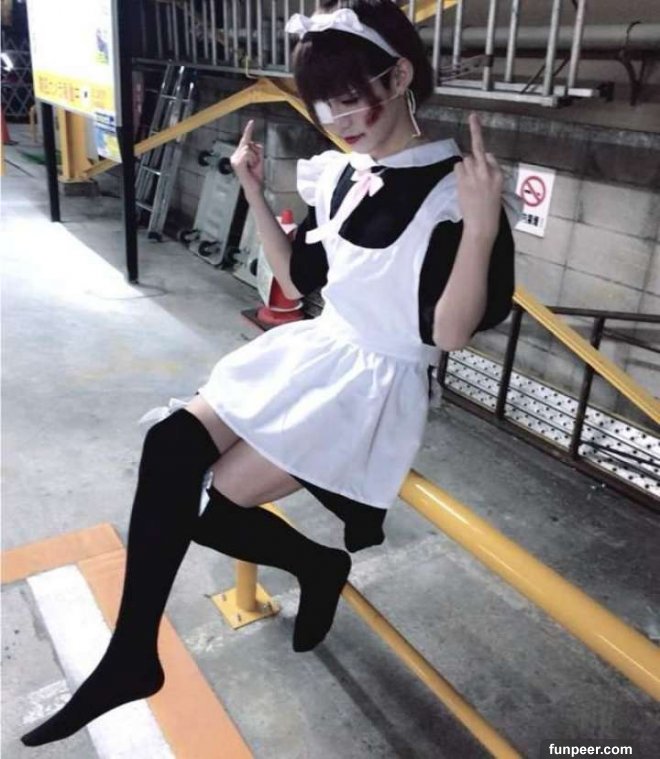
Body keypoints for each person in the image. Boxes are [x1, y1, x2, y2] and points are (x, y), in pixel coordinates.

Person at [21, 0, 521, 747]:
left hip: (373, 382)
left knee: (208, 506)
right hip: (319, 349)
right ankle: (138, 652)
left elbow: (448, 333)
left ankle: (307, 573)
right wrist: (253, 188)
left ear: (399, 78)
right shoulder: (344, 174)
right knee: (169, 447)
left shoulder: (458, 191)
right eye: (322, 103)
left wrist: (480, 227)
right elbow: (295, 280)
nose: (336, 119)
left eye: (348, 98)